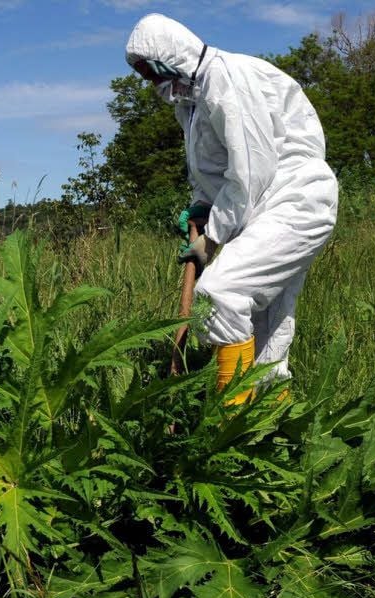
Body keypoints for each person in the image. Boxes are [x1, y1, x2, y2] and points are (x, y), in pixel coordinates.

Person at [125, 13, 338, 402]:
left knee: (221, 293)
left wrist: (213, 236)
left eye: (152, 70)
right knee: (264, 320)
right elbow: (211, 171)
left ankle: (230, 420)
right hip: (262, 202)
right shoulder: (191, 101)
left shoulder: (227, 80)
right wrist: (200, 207)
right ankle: (267, 422)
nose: (152, 82)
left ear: (171, 56)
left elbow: (250, 168)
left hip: (295, 198)